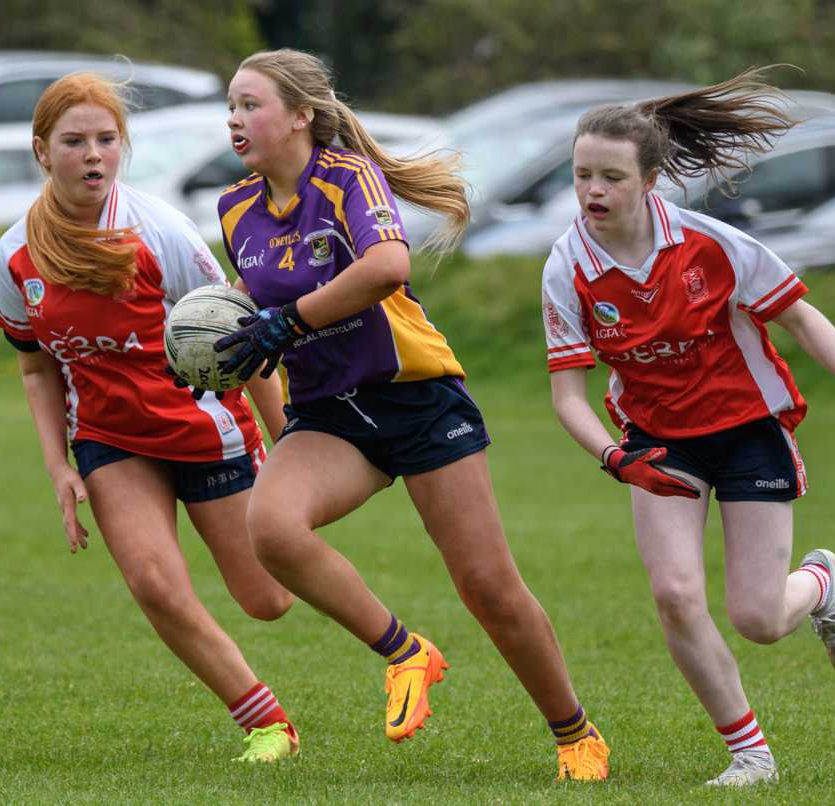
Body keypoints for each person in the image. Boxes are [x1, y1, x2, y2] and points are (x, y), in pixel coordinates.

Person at [209, 47, 610, 781]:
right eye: (231, 106)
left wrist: (287, 322)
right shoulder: (235, 208)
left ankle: (575, 735)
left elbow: (387, 266)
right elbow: (255, 323)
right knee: (270, 527)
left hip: (417, 400)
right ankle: (405, 653)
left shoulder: (345, 178)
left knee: (487, 585)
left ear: (299, 115)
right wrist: (224, 353)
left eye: (249, 104)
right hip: (330, 415)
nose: (234, 119)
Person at [540, 67, 835, 787]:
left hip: (746, 428)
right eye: (582, 174)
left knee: (759, 619)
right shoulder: (567, 266)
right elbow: (567, 398)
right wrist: (617, 459)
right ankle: (750, 756)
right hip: (655, 441)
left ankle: (821, 582)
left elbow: (797, 313)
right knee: (674, 595)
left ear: (649, 180)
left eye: (610, 177)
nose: (592, 191)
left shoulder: (710, 245)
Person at [0, 71, 302, 764]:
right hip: (108, 439)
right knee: (155, 585)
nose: (93, 155)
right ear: (42, 151)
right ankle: (266, 723)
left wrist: (291, 443)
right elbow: (37, 364)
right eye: (74, 142)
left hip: (206, 430)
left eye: (106, 140)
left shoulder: (159, 231)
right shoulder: (14, 254)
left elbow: (240, 340)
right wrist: (58, 466)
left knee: (267, 600)